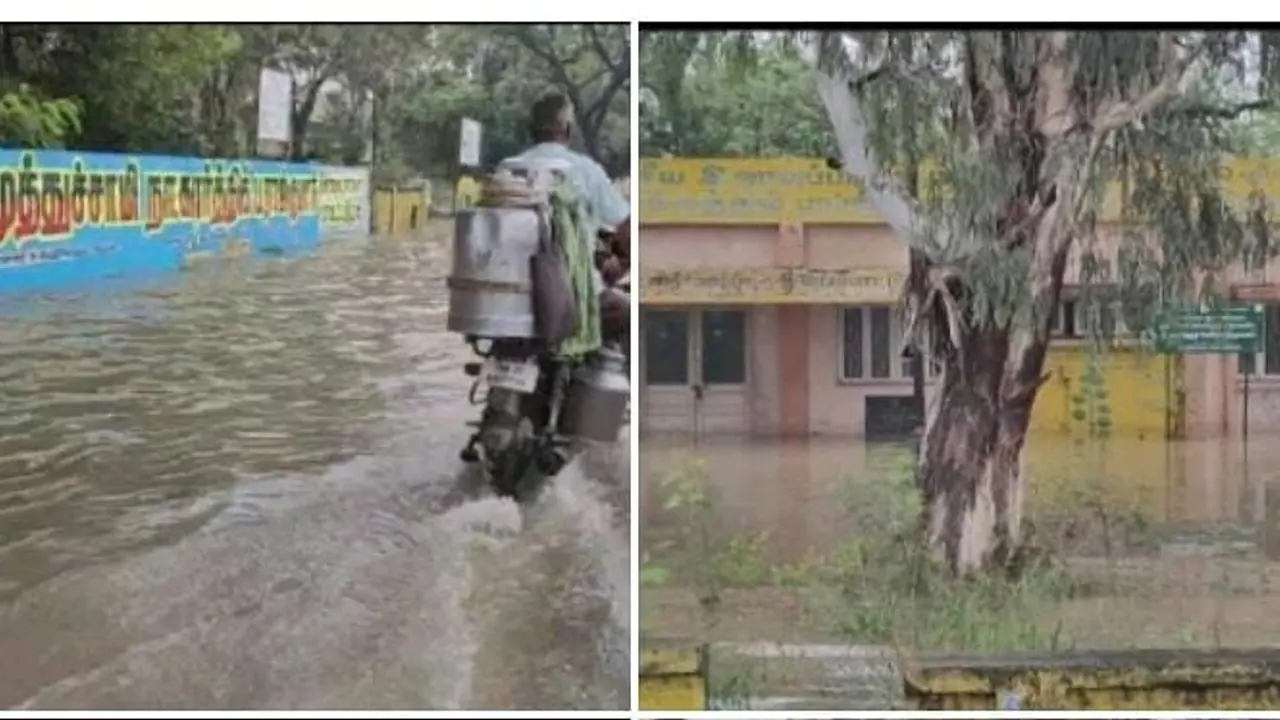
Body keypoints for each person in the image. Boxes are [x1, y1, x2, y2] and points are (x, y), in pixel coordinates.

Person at [497, 92, 631, 343]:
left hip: (511, 298)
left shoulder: (507, 169)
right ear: (567, 129)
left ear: (531, 129)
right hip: (573, 296)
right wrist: (622, 266)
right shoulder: (586, 171)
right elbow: (626, 227)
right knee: (627, 312)